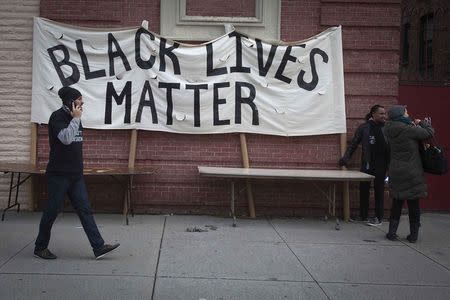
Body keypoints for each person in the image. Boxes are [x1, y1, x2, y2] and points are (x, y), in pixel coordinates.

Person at [34, 86, 120, 259]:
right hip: (59, 174)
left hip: (75, 175)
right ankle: (40, 247)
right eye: (79, 99)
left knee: (85, 209)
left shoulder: (76, 117)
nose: (82, 102)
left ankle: (98, 247)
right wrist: (75, 119)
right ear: (70, 101)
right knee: (52, 210)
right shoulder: (58, 117)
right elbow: (66, 139)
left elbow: (75, 144)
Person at [384, 105, 434, 243]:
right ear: (400, 115)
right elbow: (429, 133)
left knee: (397, 202)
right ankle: (413, 236)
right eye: (405, 112)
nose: (408, 113)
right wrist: (422, 123)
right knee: (413, 205)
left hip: (396, 170)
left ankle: (392, 233)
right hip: (412, 171)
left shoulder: (388, 129)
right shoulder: (409, 129)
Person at [339, 105, 390, 226]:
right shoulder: (364, 128)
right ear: (373, 114)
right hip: (367, 164)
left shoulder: (387, 128)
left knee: (379, 191)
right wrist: (345, 158)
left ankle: (378, 217)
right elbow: (354, 144)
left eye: (385, 113)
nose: (384, 116)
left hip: (382, 165)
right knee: (364, 190)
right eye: (381, 113)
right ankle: (363, 215)